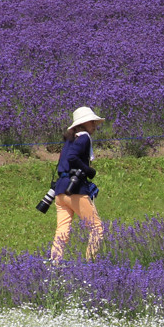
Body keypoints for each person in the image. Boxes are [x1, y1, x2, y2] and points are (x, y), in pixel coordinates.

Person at [50, 106, 104, 263]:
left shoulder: (70, 139)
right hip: (75, 190)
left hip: (60, 191)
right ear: (83, 124)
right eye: (92, 122)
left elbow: (65, 161)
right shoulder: (84, 137)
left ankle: (55, 263)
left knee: (62, 230)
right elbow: (73, 158)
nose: (94, 126)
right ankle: (91, 264)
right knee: (97, 228)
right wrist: (89, 171)